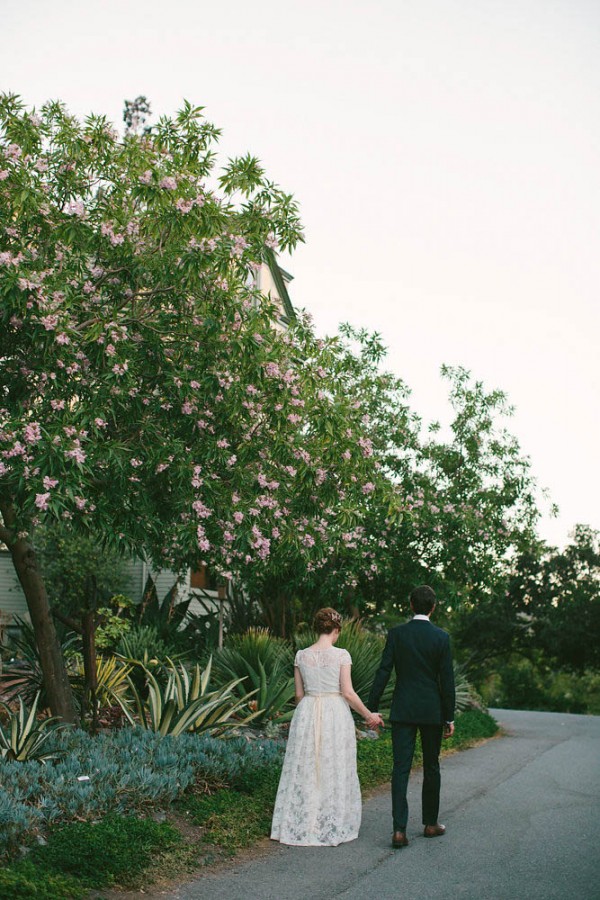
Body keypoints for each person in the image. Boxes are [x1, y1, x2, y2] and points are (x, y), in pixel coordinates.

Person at [270, 607, 384, 846]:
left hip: (308, 711)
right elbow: (348, 692)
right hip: (334, 713)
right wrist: (369, 715)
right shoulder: (341, 655)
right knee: (333, 764)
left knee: (308, 766)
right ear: (336, 630)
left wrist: (307, 714)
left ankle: (303, 822)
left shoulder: (301, 655)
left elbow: (299, 695)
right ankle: (329, 822)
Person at [368, 584, 455, 848]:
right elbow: (447, 681)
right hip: (431, 712)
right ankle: (430, 824)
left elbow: (383, 671)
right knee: (431, 766)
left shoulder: (397, 634)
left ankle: (399, 830)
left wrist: (372, 707)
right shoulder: (441, 637)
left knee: (401, 768)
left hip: (403, 710)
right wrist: (449, 717)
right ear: (433, 607)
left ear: (410, 604)